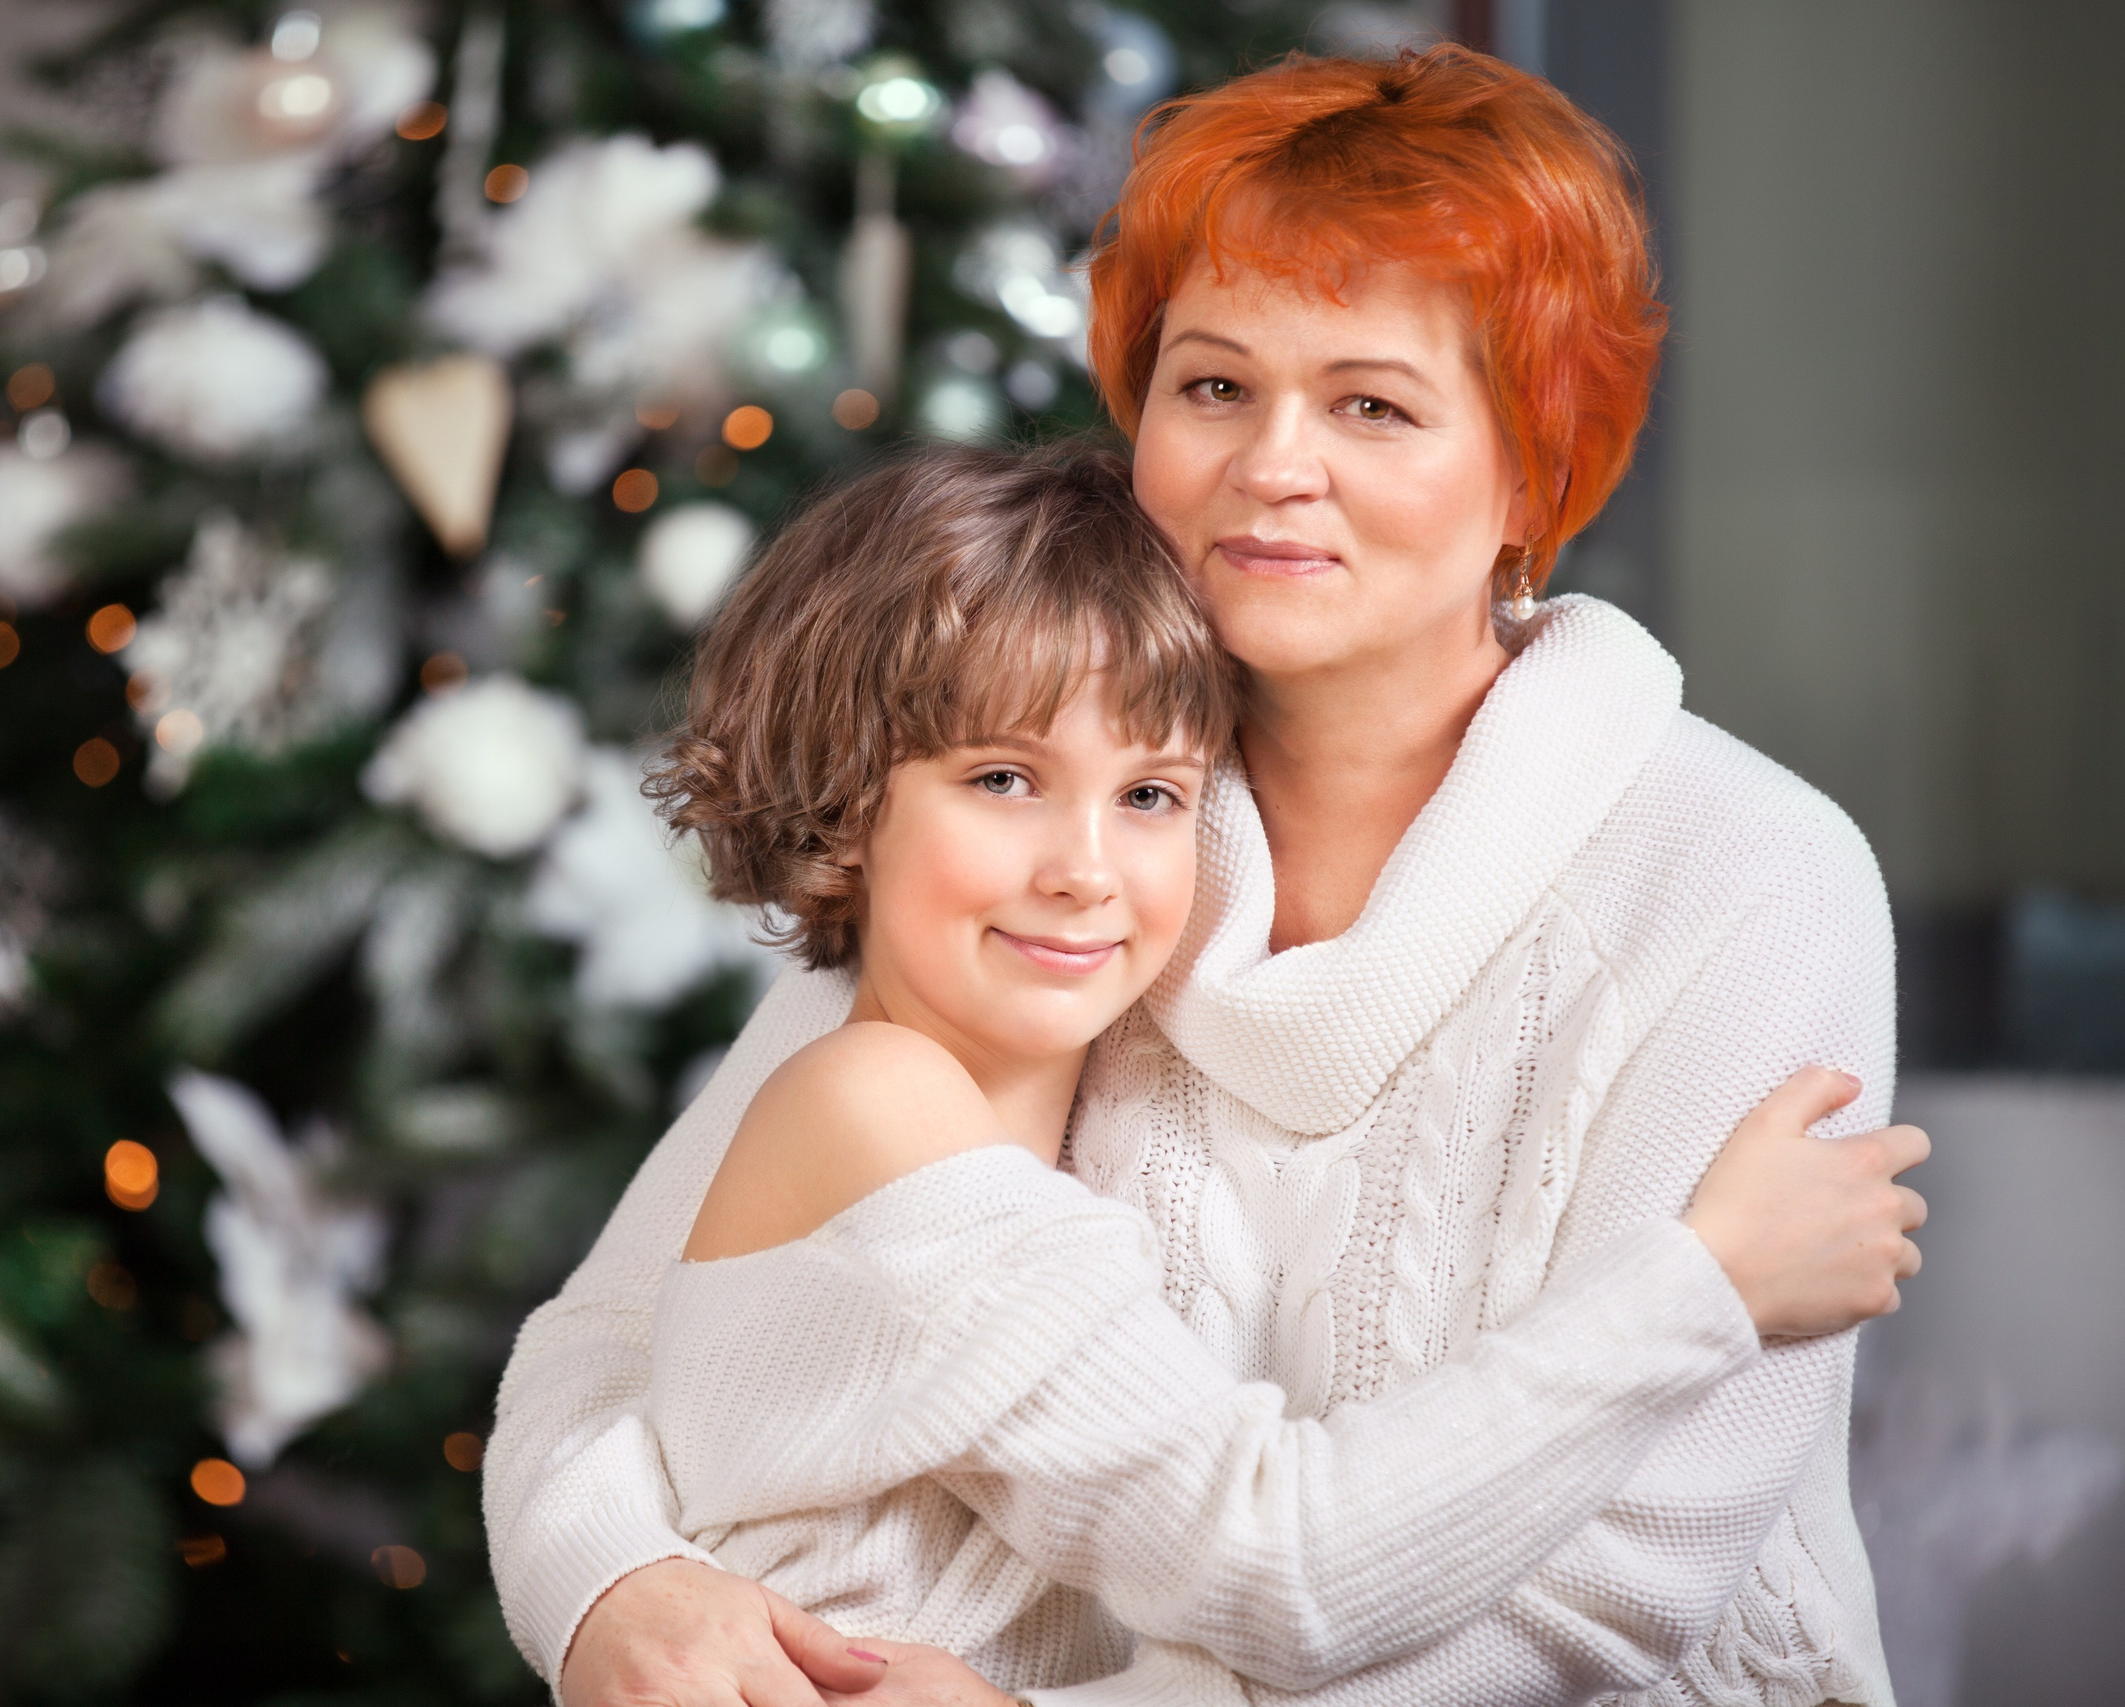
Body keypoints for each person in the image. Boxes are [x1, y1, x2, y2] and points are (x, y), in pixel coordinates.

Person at [490, 43, 1924, 1707]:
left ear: (1533, 470)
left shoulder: (1748, 876)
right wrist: (616, 1585)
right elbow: (617, 1338)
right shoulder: (1044, 810)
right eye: (1215, 386)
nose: (1272, 467)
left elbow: (1606, 1594)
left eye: (1373, 405)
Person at [634, 442, 1920, 1707]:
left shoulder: (1035, 1081)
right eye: (1004, 779)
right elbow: (1275, 1564)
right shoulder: (875, 1102)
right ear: (844, 801)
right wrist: (1706, 1286)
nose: (1083, 869)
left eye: (1149, 795)